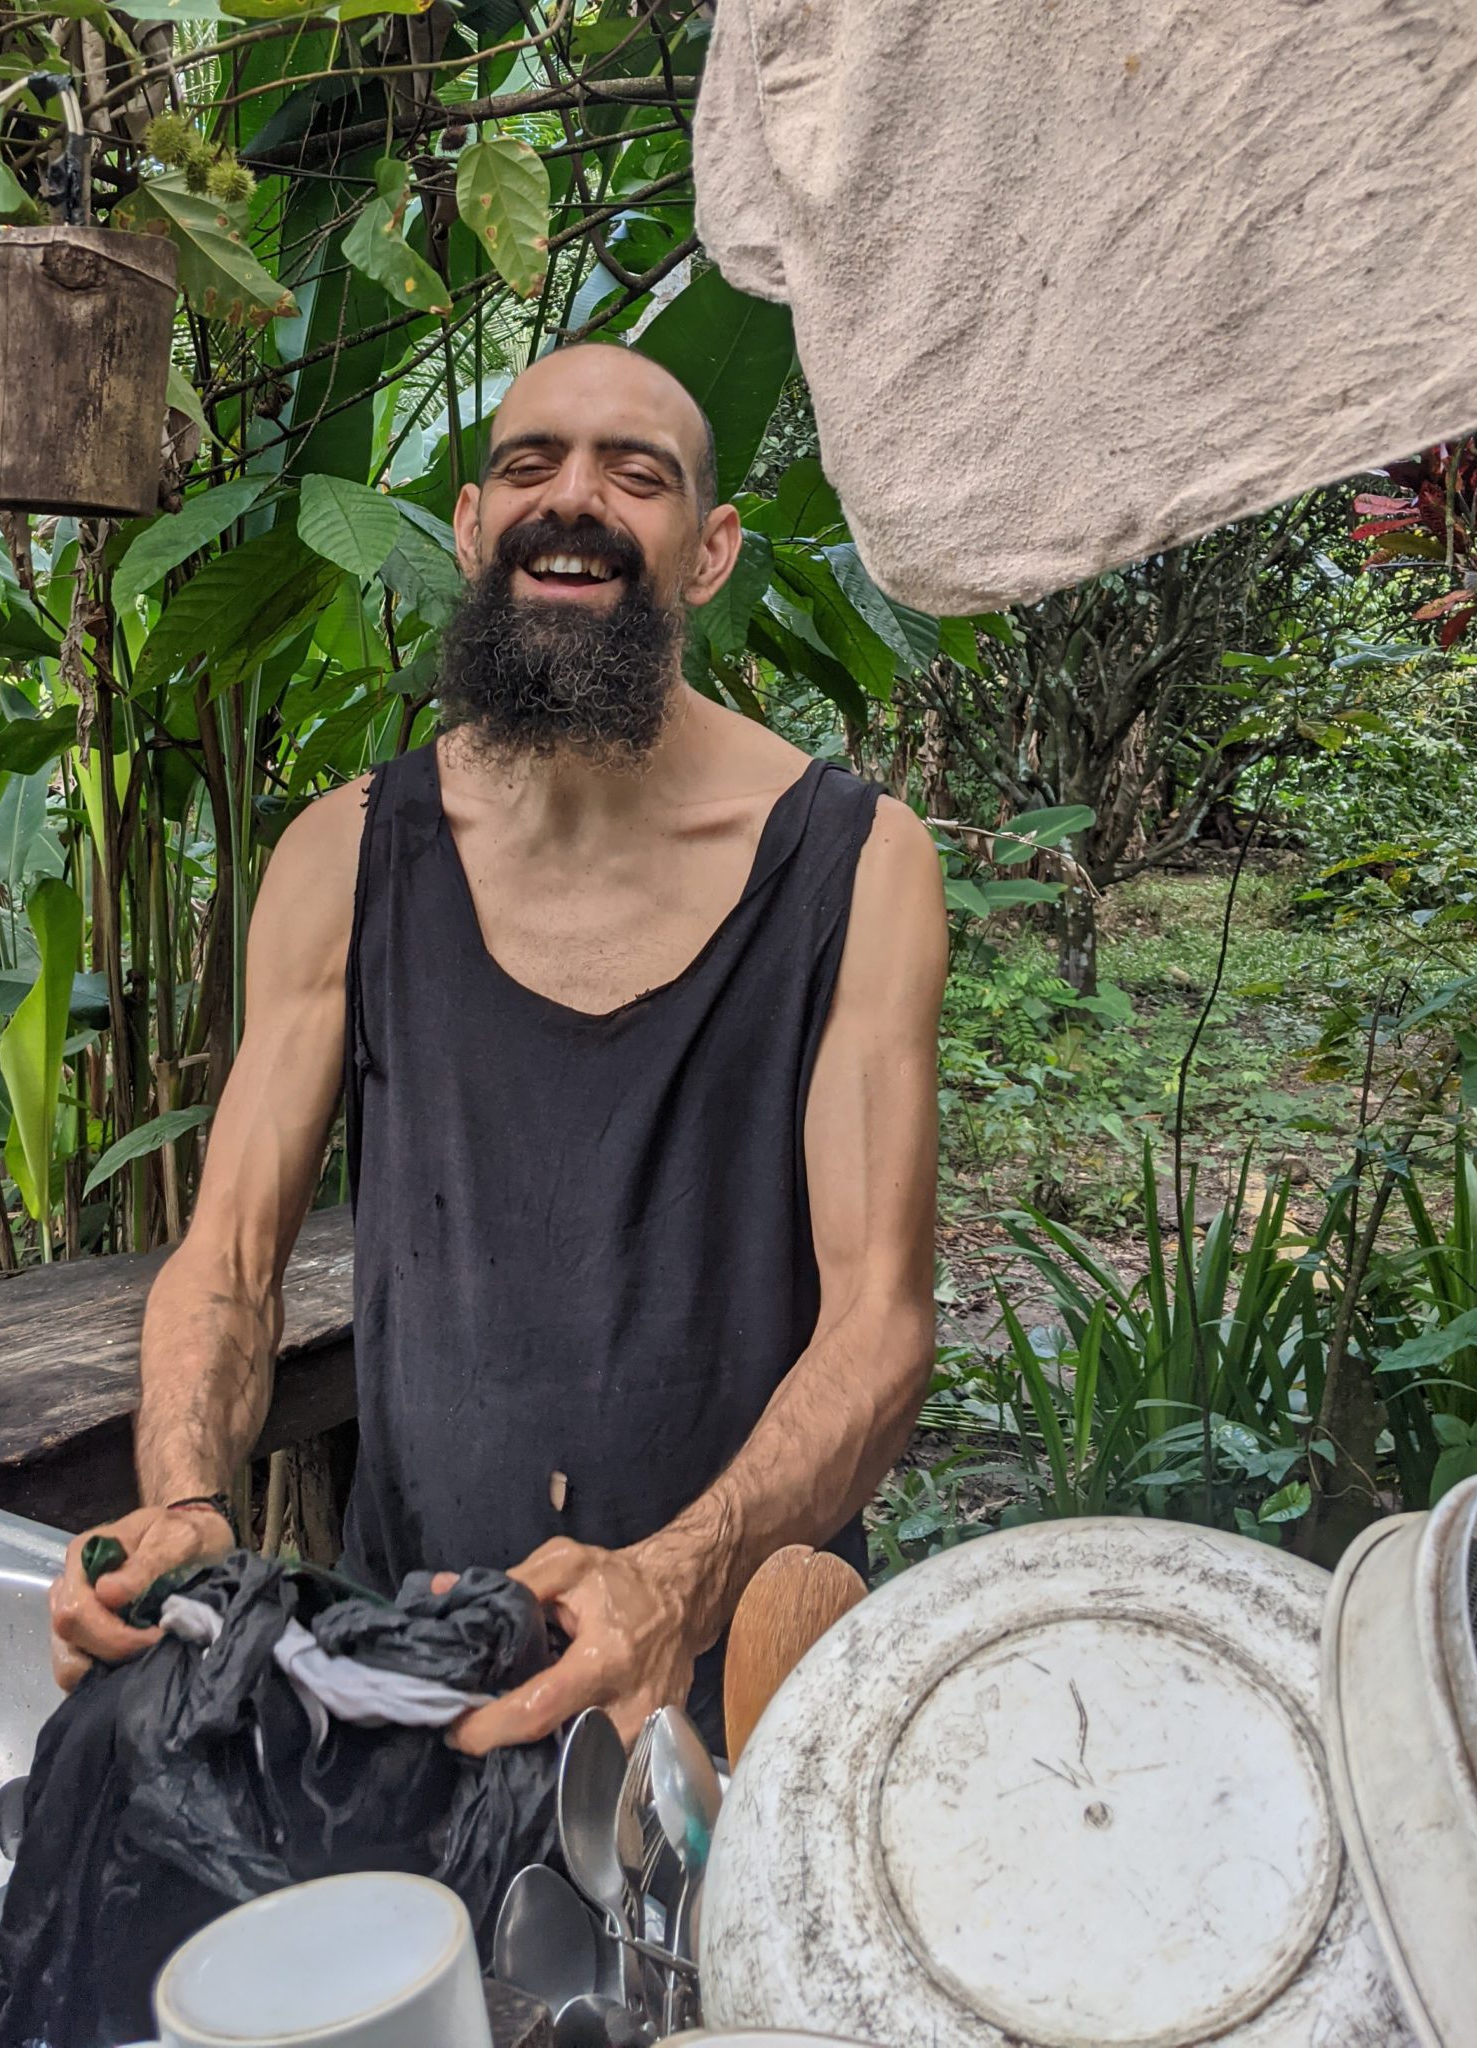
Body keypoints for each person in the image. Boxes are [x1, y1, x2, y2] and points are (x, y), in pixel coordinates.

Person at [48, 340, 946, 1752]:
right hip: (412, 1656)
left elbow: (880, 1324)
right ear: (472, 528)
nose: (571, 499)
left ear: (711, 552)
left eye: (634, 475)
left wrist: (679, 1577)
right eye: (531, 466)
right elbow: (227, 1259)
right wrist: (184, 1500)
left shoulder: (858, 864)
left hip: (739, 1682)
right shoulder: (346, 855)